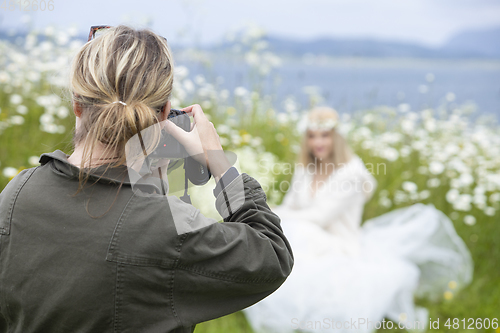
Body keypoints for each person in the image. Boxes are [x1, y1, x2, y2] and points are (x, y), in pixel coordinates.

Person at [0, 25, 294, 333]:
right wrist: (219, 163)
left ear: (77, 104)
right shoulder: (167, 227)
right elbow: (271, 255)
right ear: (165, 113)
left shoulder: (16, 194)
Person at [243, 107, 473, 333]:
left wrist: (273, 213)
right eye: (312, 136)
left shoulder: (352, 172)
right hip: (308, 233)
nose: (318, 143)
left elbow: (321, 217)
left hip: (339, 241)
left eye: (325, 136)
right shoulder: (307, 167)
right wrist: (269, 212)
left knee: (296, 231)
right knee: (288, 230)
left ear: (337, 137)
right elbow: (292, 204)